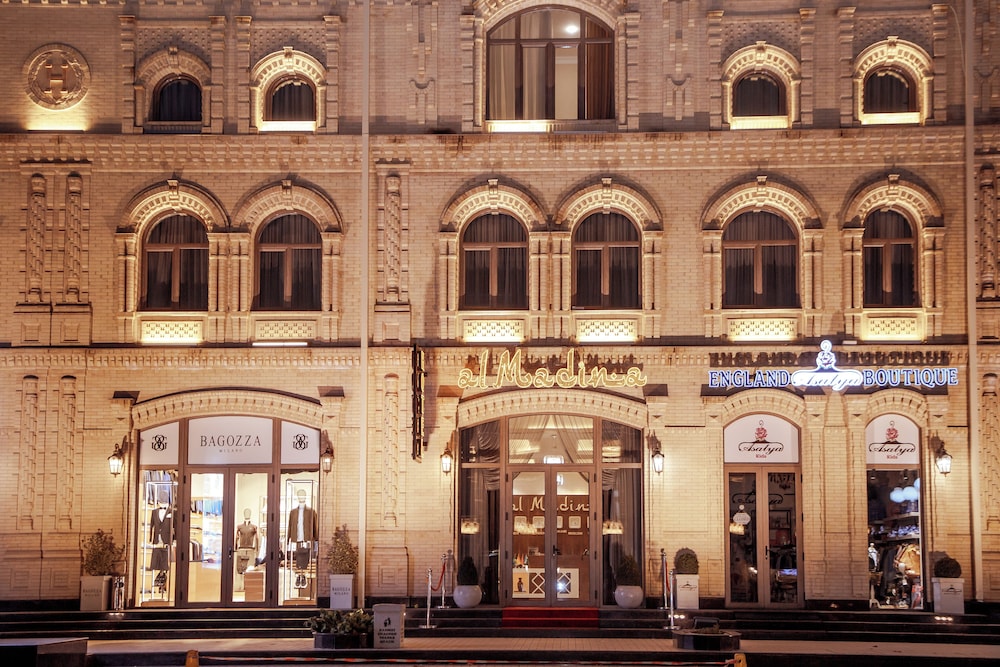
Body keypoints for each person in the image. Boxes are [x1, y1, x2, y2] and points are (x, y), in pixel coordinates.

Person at [286, 490, 317, 589]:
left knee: (306, 558)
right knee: (296, 558)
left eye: (303, 495)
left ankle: (303, 576)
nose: (301, 497)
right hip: (296, 539)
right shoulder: (293, 512)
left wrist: (316, 540)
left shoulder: (311, 512)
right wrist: (288, 539)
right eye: (299, 495)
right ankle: (299, 576)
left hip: (307, 539)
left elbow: (315, 526)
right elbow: (290, 526)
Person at [234, 508, 259, 589]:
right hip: (241, 549)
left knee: (250, 568)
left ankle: (248, 586)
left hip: (250, 549)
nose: (247, 514)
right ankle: (239, 586)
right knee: (240, 568)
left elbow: (257, 538)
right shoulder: (239, 527)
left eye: (248, 513)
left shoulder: (254, 527)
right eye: (246, 513)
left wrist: (257, 550)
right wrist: (235, 547)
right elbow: (236, 538)